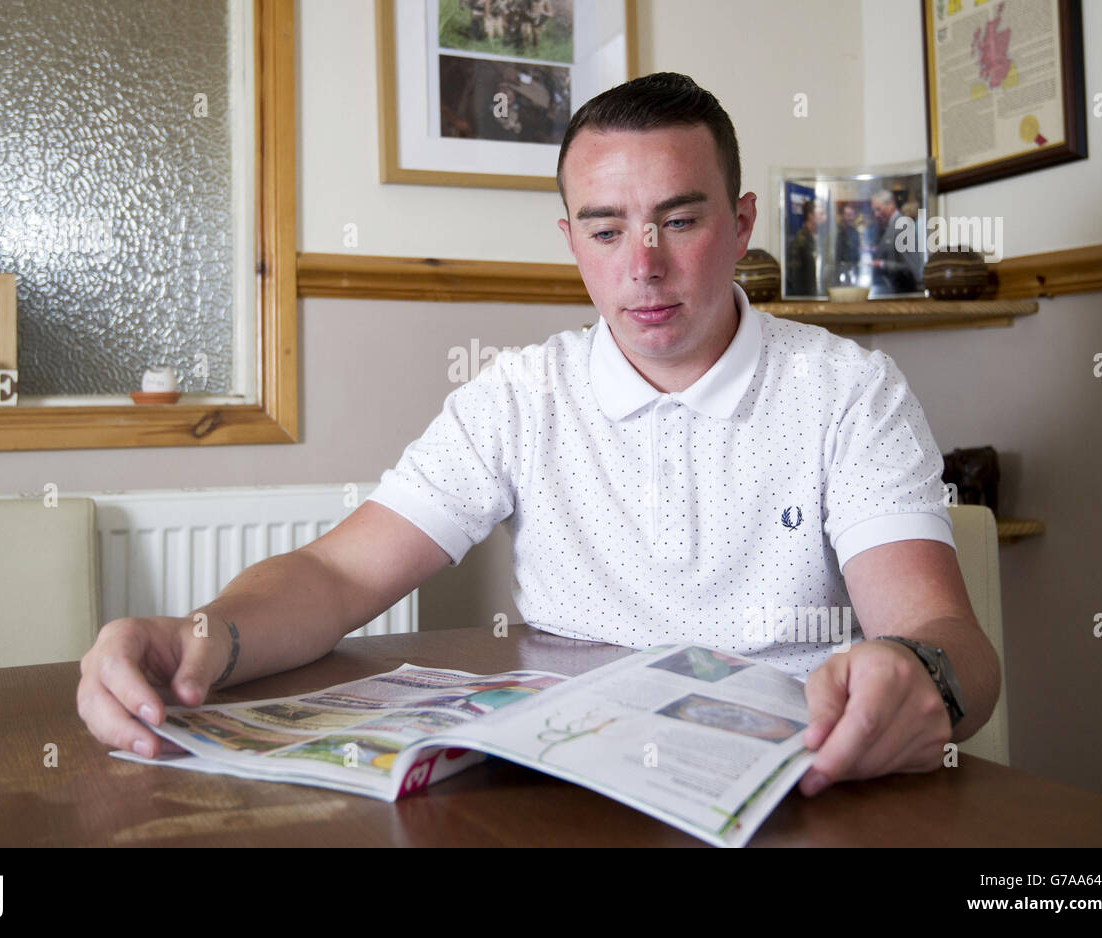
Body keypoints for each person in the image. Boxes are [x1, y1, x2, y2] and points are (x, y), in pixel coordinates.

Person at [79, 72, 999, 801]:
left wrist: (922, 676)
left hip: (802, 785)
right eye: (606, 230)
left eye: (680, 220)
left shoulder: (846, 389)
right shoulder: (519, 395)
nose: (644, 267)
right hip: (571, 791)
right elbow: (337, 576)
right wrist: (196, 631)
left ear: (742, 222)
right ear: (571, 240)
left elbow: (942, 636)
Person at [786, 198, 824, 296]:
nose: (825, 218)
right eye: (821, 214)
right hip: (804, 294)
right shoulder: (801, 239)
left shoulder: (821, 237)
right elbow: (794, 273)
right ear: (811, 215)